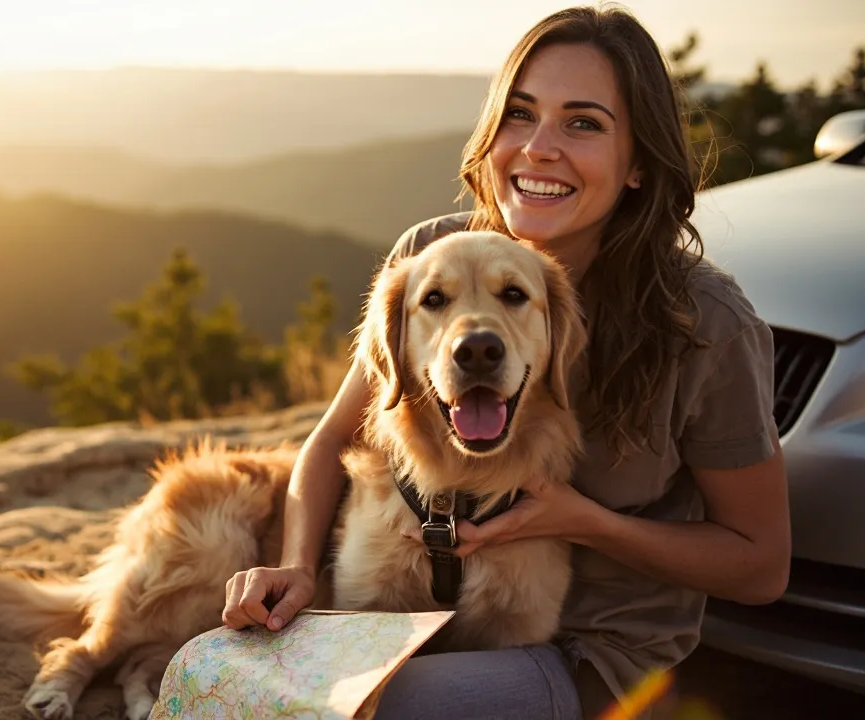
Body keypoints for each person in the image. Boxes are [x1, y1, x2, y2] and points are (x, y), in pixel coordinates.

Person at [220, 5, 792, 719]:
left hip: (589, 653)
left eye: (582, 123)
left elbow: (761, 565)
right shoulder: (433, 253)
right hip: (421, 614)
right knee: (249, 677)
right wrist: (297, 568)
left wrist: (583, 520)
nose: (539, 148)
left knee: (370, 709)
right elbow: (335, 437)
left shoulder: (706, 324)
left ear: (639, 162)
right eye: (519, 115)